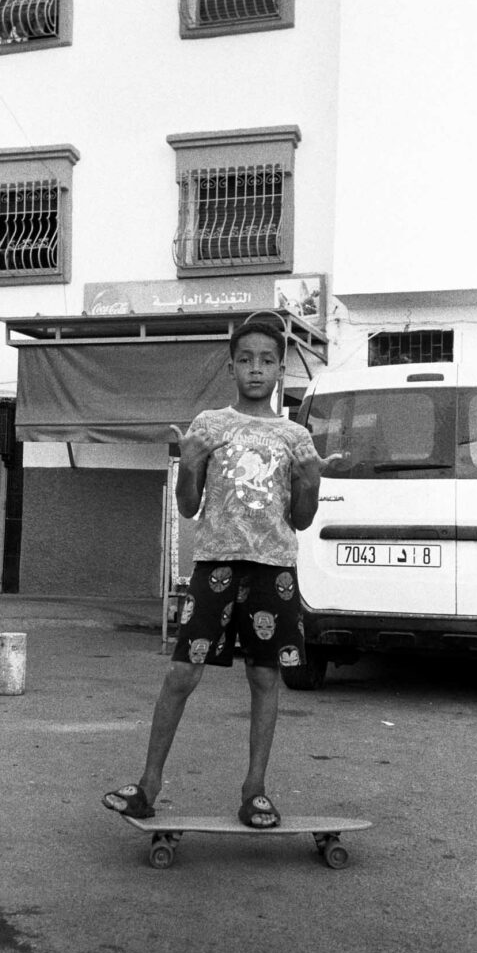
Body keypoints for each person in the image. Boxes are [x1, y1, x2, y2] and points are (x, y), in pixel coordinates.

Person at [102, 319, 340, 828]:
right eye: (246, 358)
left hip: (272, 570)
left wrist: (311, 485)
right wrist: (188, 466)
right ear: (231, 365)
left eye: (267, 360)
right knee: (181, 673)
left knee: (264, 678)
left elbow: (300, 519)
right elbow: (188, 509)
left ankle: (255, 790)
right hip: (215, 567)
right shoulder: (209, 424)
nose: (256, 368)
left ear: (280, 369)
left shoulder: (295, 435)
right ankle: (148, 785)